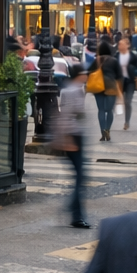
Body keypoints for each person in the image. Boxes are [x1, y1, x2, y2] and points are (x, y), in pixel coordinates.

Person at [52, 65, 90, 228]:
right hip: (72, 137)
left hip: (77, 135)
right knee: (80, 178)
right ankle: (75, 213)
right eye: (84, 73)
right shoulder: (72, 91)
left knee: (80, 177)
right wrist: (66, 140)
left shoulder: (78, 89)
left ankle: (75, 211)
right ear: (78, 75)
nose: (86, 75)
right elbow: (66, 116)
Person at [89, 38, 121, 141]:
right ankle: (108, 130)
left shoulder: (96, 60)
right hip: (111, 86)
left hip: (98, 86)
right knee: (109, 110)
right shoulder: (114, 60)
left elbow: (89, 72)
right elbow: (119, 75)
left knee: (101, 110)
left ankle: (102, 132)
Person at [116, 36, 137, 132]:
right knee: (115, 100)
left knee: (128, 101)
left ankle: (127, 122)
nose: (120, 46)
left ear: (128, 45)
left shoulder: (132, 56)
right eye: (119, 44)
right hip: (119, 81)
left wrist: (135, 73)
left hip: (130, 81)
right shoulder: (117, 56)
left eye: (122, 44)